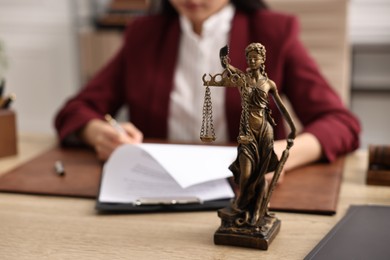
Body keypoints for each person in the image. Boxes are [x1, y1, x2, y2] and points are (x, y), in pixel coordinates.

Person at [54, 0, 360, 176]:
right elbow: (76, 110)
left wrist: (279, 155)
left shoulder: (273, 33)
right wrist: (102, 135)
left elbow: (341, 123)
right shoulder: (143, 35)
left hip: (245, 192)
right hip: (155, 193)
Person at [203, 42, 296, 225]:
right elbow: (229, 69)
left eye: (256, 57)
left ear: (263, 60)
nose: (252, 60)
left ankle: (256, 211)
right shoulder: (242, 79)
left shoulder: (269, 84)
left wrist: (292, 129)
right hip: (246, 133)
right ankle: (241, 206)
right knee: (245, 175)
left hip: (264, 132)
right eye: (249, 57)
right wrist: (224, 60)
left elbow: (282, 108)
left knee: (260, 175)